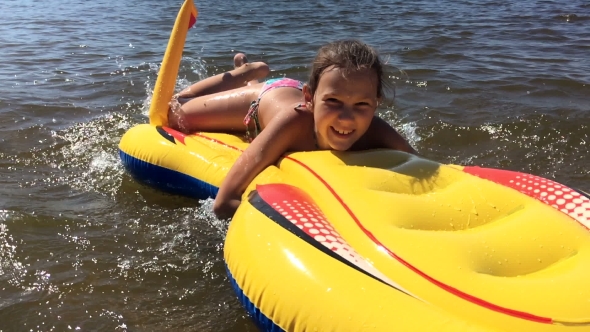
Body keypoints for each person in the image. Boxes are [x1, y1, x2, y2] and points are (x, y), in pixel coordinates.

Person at [168, 39, 418, 219]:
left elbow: (423, 166)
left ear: (376, 104)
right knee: (174, 111)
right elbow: (225, 200)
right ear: (311, 99)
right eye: (334, 103)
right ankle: (246, 73)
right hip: (266, 98)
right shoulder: (293, 123)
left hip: (314, 90)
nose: (346, 118)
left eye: (362, 104)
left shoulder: (379, 130)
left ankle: (256, 75)